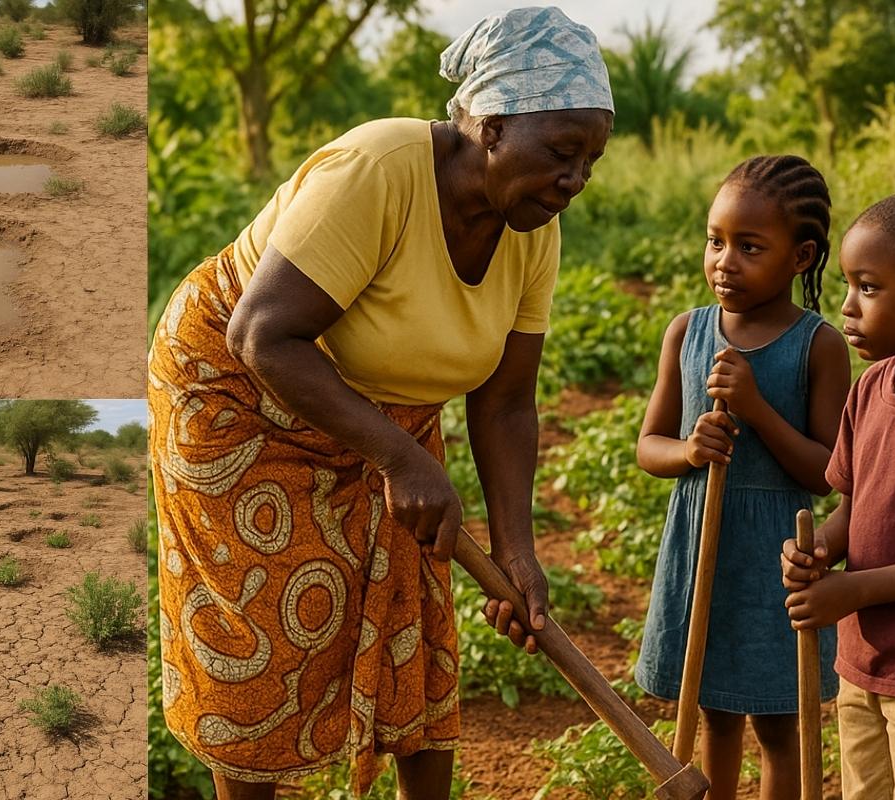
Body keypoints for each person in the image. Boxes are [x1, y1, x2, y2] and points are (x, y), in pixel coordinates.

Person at [148, 7, 613, 798]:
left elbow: (506, 402)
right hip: (240, 399)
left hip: (381, 413)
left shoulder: (533, 222)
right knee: (261, 642)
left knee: (414, 625)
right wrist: (400, 455)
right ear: (493, 126)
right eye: (563, 152)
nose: (575, 180)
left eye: (590, 162)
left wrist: (518, 551)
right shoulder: (381, 166)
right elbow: (262, 334)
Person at [633, 155, 851, 800]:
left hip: (776, 557)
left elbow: (827, 474)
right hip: (704, 543)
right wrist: (691, 452)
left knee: (781, 724)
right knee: (713, 713)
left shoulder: (819, 344)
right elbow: (650, 446)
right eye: (716, 240)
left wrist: (756, 409)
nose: (725, 261)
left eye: (750, 247)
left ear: (801, 256)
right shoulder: (687, 332)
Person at [781, 189, 895, 799]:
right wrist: (820, 549)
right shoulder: (871, 388)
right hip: (861, 661)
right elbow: (856, 504)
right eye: (847, 286)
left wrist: (857, 589)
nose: (846, 307)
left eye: (868, 288)